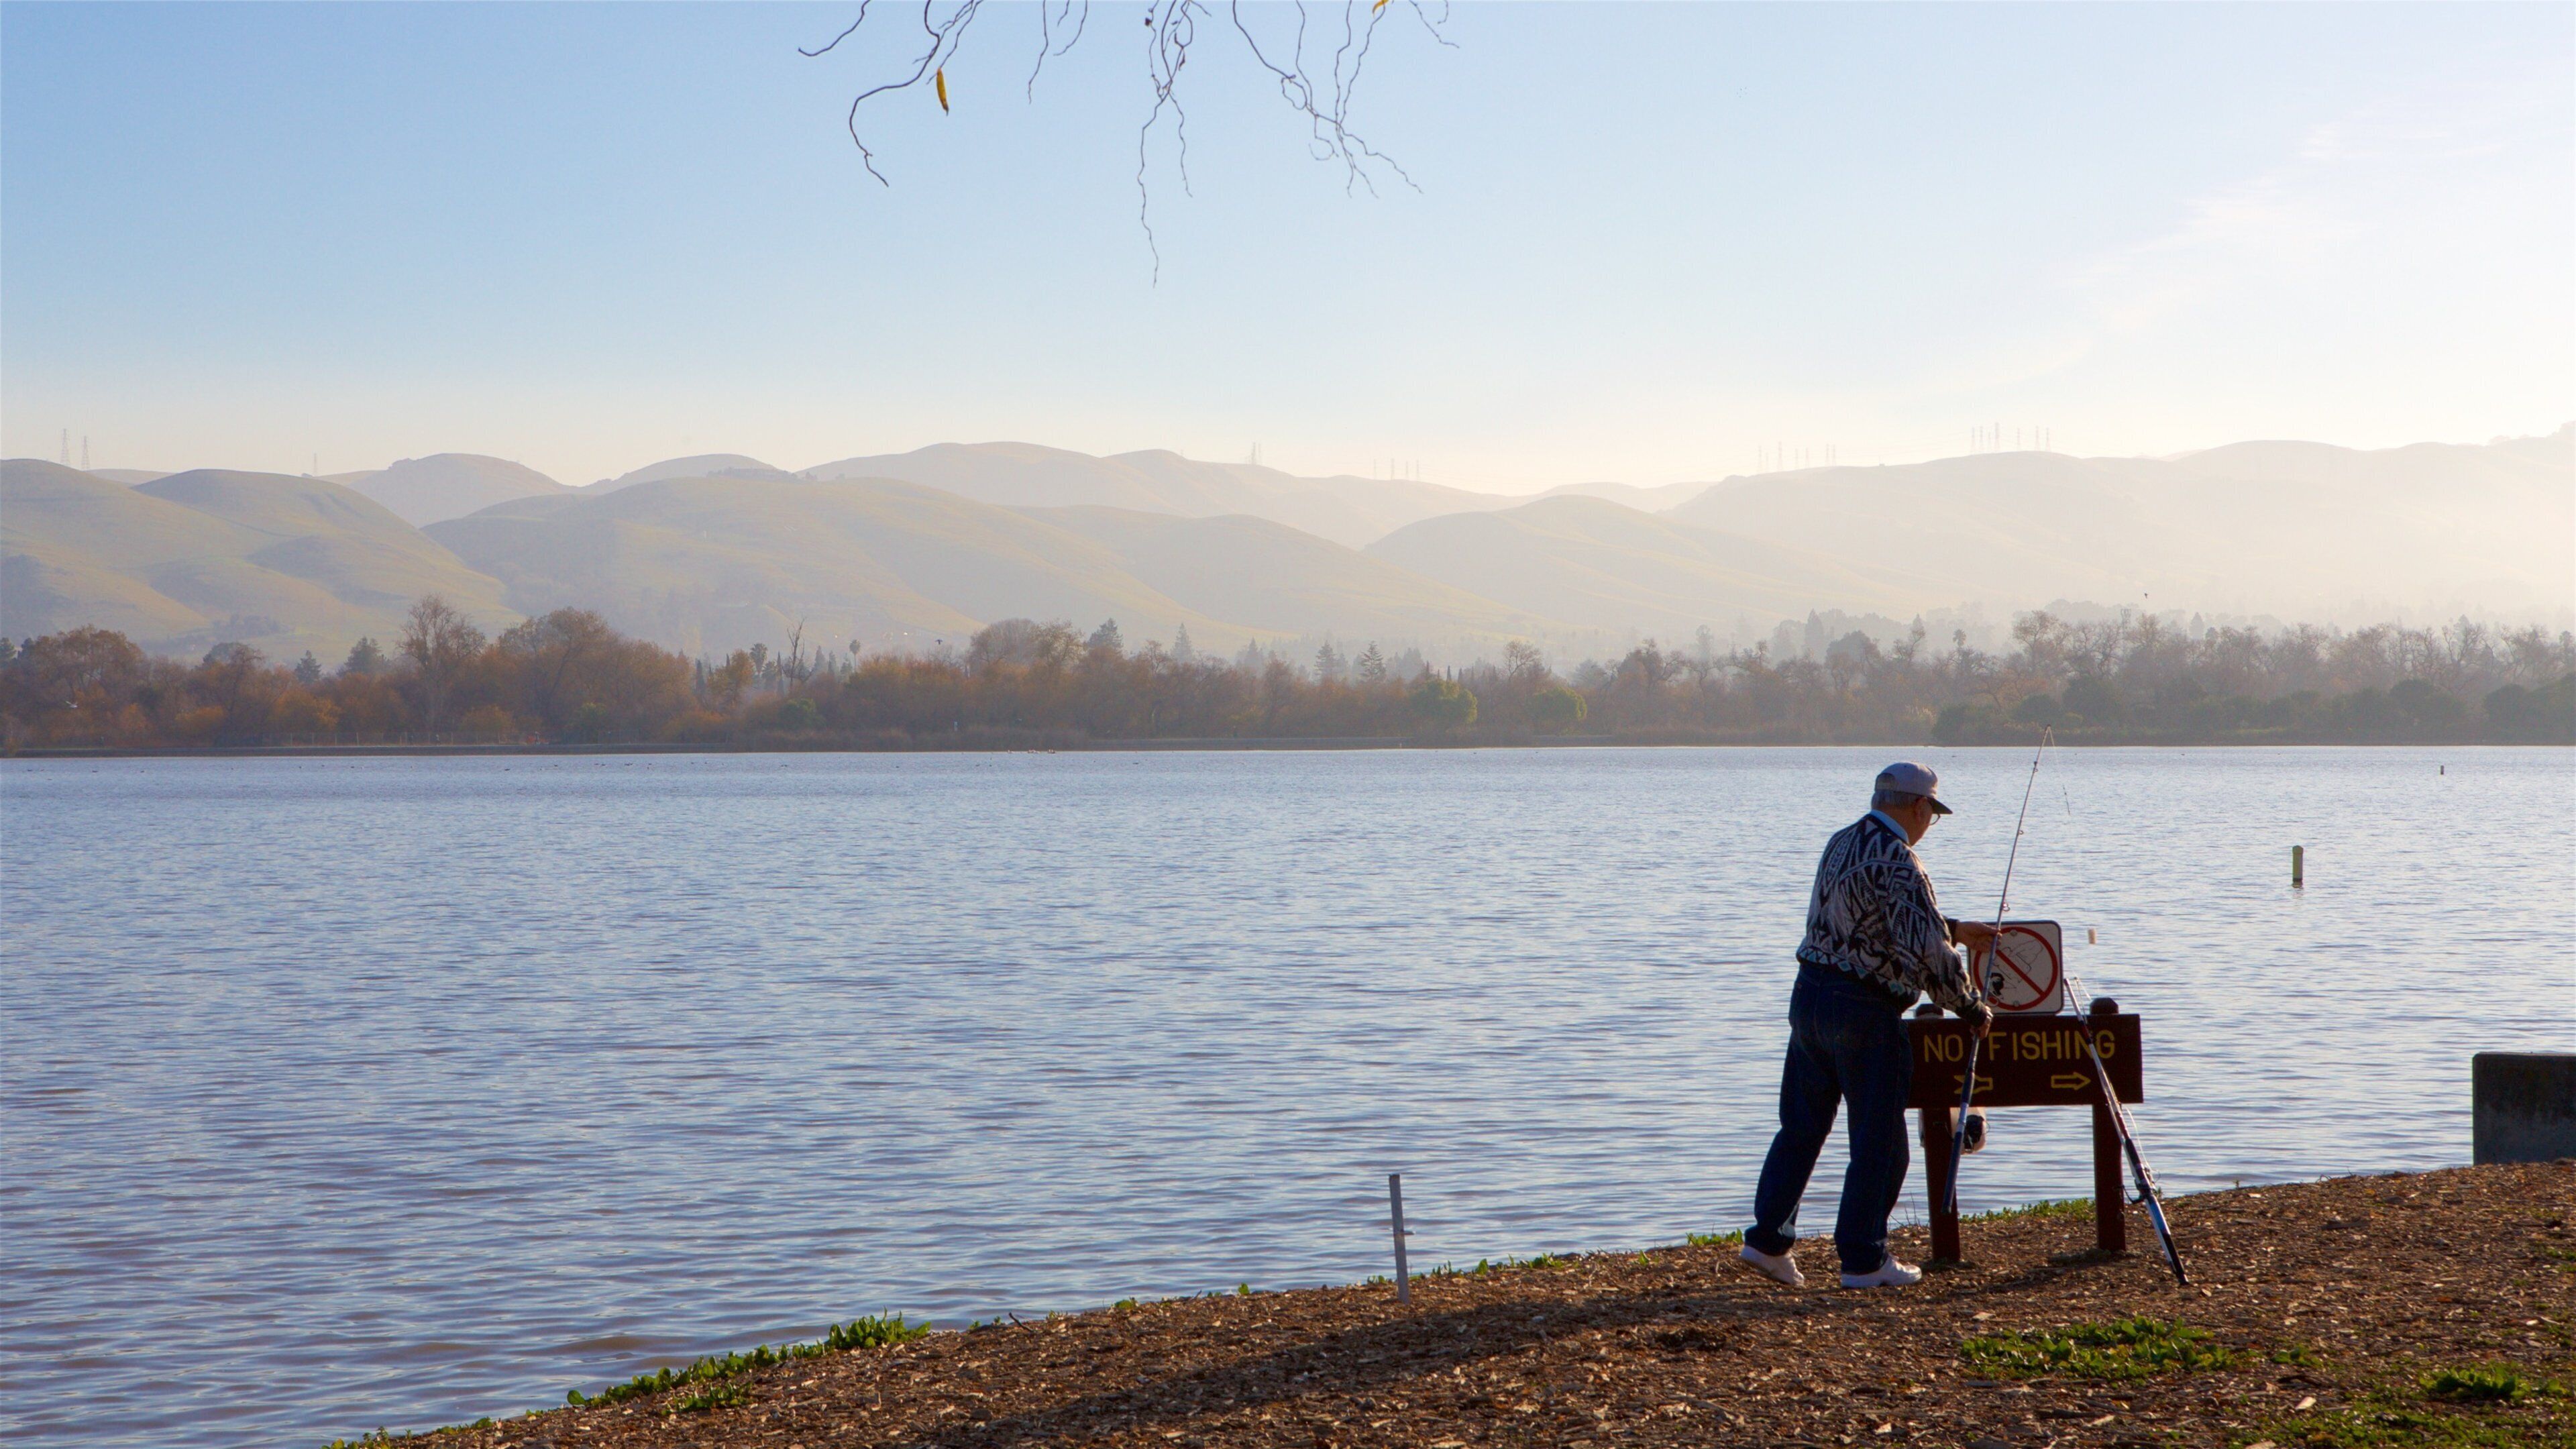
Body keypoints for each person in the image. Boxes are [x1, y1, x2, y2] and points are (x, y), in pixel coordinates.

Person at [1738, 761, 1996, 1290]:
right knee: (1880, 1140)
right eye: (1932, 814)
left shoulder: (1841, 842)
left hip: (1809, 997)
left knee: (1801, 1128)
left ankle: (1766, 1241)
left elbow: (1856, 915)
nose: (1930, 824)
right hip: (1865, 1010)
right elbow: (1928, 954)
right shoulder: (1904, 862)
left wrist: (1954, 927)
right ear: (1919, 807)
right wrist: (1971, 1007)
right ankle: (1863, 1258)